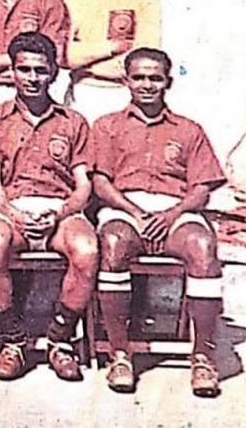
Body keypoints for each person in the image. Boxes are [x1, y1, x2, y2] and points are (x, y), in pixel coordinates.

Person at [92, 48, 225, 397]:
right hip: (125, 206)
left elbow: (201, 188)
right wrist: (136, 214)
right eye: (139, 77)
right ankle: (120, 355)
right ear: (126, 81)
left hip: (174, 208)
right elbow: (101, 183)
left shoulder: (189, 129)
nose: (147, 85)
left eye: (155, 78)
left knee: (202, 247)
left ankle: (203, 358)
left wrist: (171, 215)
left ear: (168, 82)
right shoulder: (107, 126)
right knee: (114, 243)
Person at [0, 33, 98, 382]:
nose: (32, 78)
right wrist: (14, 215)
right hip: (11, 207)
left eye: (40, 70)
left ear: (54, 72)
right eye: (24, 69)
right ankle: (13, 341)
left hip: (59, 208)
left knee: (87, 249)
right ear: (12, 72)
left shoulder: (73, 121)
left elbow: (83, 186)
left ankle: (60, 340)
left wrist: (59, 214)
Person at [64, 0, 162, 123]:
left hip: (127, 95)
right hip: (82, 95)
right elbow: (63, 56)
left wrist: (84, 58)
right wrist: (112, 47)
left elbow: (144, 58)